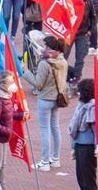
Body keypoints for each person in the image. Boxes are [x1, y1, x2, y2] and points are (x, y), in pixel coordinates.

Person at [23, 35, 69, 170]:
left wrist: (25, 72)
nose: (43, 50)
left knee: (45, 130)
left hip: (45, 99)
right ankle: (55, 159)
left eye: (46, 48)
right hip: (57, 99)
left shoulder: (45, 64)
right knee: (55, 128)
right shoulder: (63, 62)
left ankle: (44, 161)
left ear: (52, 50)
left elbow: (38, 84)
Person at [67, 78, 98, 190]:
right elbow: (74, 128)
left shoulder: (92, 108)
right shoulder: (81, 106)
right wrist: (73, 147)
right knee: (81, 180)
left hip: (88, 148)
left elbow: (96, 131)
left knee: (89, 182)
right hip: (80, 146)